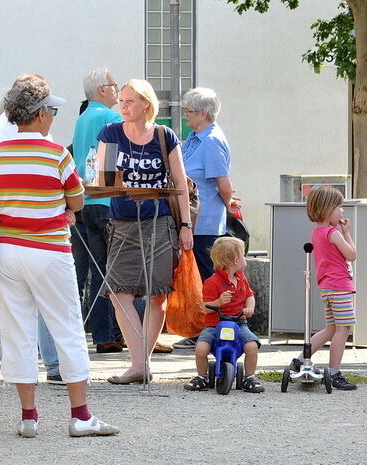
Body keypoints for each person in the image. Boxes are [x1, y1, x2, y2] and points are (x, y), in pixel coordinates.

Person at [0, 76, 118, 438]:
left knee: (17, 330)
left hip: (8, 249)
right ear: (42, 114)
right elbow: (77, 200)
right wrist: (65, 207)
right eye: (52, 110)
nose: (53, 116)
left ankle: (28, 416)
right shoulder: (56, 154)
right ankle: (80, 415)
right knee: (67, 328)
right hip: (48, 248)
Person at [97, 79, 193, 385]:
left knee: (157, 295)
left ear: (146, 105)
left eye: (129, 101)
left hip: (159, 222)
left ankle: (142, 362)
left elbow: (180, 183)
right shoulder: (111, 133)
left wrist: (186, 225)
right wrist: (115, 180)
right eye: (121, 101)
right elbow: (106, 180)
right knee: (118, 292)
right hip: (123, 223)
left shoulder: (165, 136)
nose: (123, 106)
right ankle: (139, 361)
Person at [0, 74, 62, 384]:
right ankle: (57, 370)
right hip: (38, 234)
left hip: (6, 234)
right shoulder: (39, 143)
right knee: (49, 305)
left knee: (12, 309)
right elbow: (71, 194)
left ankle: (18, 376)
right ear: (38, 110)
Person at [173, 87, 236, 350]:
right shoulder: (195, 139)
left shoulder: (211, 142)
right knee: (201, 278)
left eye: (188, 110)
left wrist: (229, 204)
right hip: (196, 221)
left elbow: (224, 184)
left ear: (204, 113)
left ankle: (208, 331)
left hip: (207, 222)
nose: (185, 115)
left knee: (208, 280)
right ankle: (203, 329)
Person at [71, 67, 123, 354]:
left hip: (85, 201)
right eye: (115, 85)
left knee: (96, 269)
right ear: (103, 89)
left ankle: (101, 333)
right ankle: (111, 333)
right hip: (106, 200)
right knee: (113, 272)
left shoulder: (82, 119)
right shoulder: (111, 117)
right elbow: (114, 162)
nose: (117, 90)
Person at [288, 186, 358, 390]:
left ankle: (300, 360)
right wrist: (347, 233)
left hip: (327, 287)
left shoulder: (317, 232)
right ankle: (335, 372)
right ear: (328, 209)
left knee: (331, 329)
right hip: (340, 287)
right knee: (343, 329)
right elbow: (352, 255)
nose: (342, 211)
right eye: (339, 207)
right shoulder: (333, 233)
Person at [182, 237, 264, 392]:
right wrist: (218, 302)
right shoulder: (212, 282)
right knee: (201, 348)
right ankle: (202, 377)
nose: (244, 259)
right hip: (215, 325)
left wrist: (249, 307)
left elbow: (249, 296)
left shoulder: (241, 279)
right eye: (243, 256)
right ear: (235, 260)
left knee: (252, 346)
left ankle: (250, 377)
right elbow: (204, 307)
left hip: (239, 323)